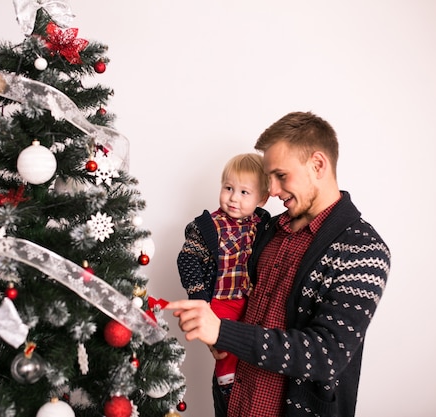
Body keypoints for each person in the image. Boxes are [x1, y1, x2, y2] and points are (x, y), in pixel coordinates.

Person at [167, 111, 391, 417]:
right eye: (268, 177)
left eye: (281, 176)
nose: (270, 189)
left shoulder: (364, 249)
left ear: (318, 165)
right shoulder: (267, 228)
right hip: (233, 400)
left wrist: (222, 332)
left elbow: (326, 354)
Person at [176, 153, 270, 415]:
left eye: (244, 192)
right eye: (228, 188)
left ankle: (242, 388)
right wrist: (199, 299)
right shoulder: (208, 226)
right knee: (224, 345)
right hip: (220, 300)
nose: (233, 198)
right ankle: (226, 386)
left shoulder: (263, 225)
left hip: (249, 300)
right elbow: (188, 260)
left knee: (250, 348)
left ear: (262, 199)